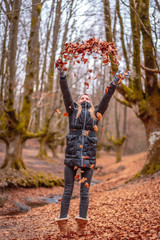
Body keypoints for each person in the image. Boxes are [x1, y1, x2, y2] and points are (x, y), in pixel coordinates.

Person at [55, 64, 129, 234]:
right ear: (78, 100)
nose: (84, 98)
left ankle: (81, 226)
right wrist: (62, 74)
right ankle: (63, 226)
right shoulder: (72, 110)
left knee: (84, 192)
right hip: (71, 156)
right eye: (82, 97)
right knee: (68, 189)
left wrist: (116, 80)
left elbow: (107, 96)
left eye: (87, 97)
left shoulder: (97, 113)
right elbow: (66, 93)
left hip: (88, 157)